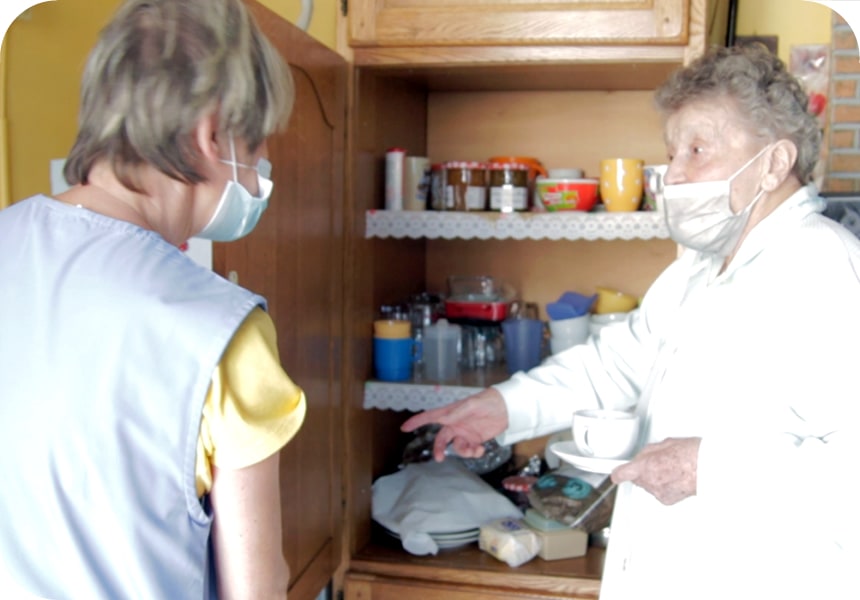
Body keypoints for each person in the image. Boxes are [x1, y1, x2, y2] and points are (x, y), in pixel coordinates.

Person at [403, 44, 860, 600]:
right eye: (672, 153)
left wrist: (707, 469)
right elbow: (616, 368)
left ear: (774, 163)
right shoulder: (698, 269)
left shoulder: (822, 268)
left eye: (698, 149)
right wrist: (504, 407)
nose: (674, 174)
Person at [0, 0, 305, 598]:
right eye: (262, 144)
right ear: (212, 132)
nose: (263, 170)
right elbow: (257, 588)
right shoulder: (218, 329)